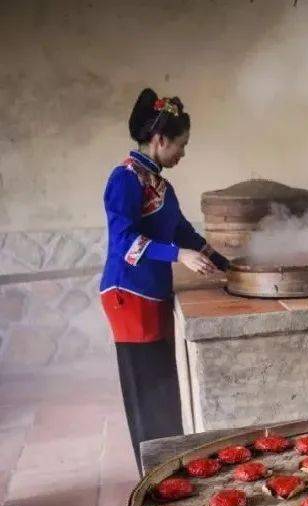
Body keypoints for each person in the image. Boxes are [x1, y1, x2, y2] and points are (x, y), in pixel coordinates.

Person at [100, 88, 228, 471]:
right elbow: (123, 241)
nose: (183, 154)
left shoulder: (158, 183)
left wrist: (227, 264)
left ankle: (170, 465)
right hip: (128, 294)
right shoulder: (124, 179)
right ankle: (153, 471)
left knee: (162, 382)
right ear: (160, 140)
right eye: (181, 145)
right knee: (146, 386)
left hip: (152, 292)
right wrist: (177, 256)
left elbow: (183, 231)